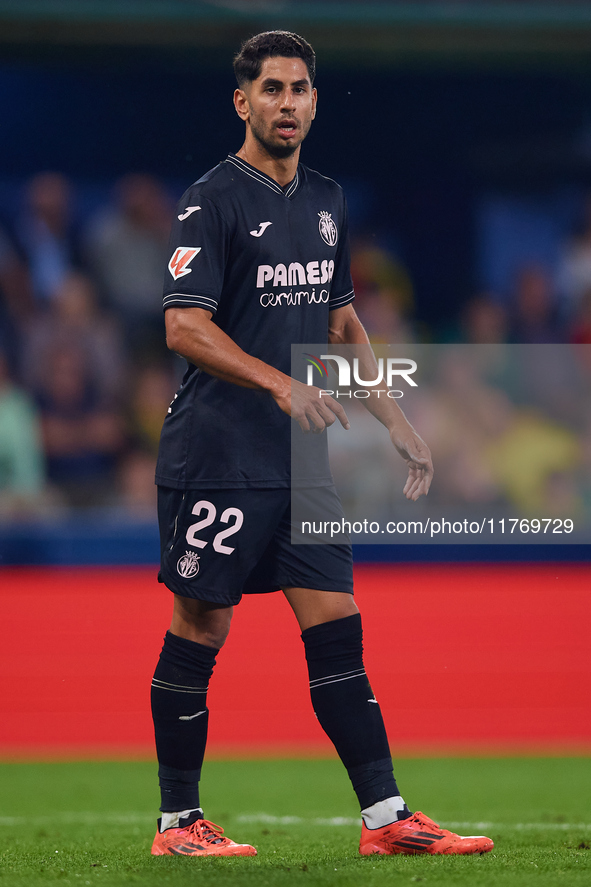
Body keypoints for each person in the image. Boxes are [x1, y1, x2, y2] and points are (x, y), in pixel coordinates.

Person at [151, 30, 493, 859]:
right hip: (217, 455)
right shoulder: (212, 198)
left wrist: (394, 415)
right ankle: (177, 825)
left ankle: (385, 818)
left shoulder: (328, 200)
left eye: (300, 89)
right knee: (201, 624)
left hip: (297, 463)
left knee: (337, 625)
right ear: (243, 102)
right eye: (271, 89)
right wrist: (278, 381)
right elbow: (182, 325)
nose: (288, 103)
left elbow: (340, 321)